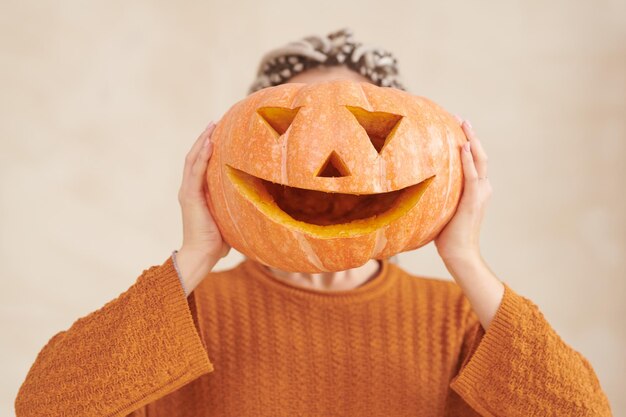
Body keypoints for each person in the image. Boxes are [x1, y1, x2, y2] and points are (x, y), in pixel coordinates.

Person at [15, 29, 612, 417]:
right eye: (285, 127)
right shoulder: (182, 312)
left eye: (372, 130)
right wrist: (195, 254)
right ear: (224, 158)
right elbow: (46, 408)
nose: (331, 167)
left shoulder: (460, 318)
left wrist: (466, 259)